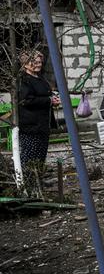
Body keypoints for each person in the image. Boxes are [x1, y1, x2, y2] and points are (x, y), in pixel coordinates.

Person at [17, 50, 61, 188]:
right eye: (34, 62)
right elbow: (26, 100)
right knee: (30, 155)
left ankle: (38, 181)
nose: (38, 64)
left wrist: (52, 99)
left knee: (41, 154)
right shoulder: (24, 80)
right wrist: (48, 100)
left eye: (40, 62)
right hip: (30, 125)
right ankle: (28, 183)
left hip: (42, 123)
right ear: (25, 64)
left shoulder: (40, 77)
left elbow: (44, 94)